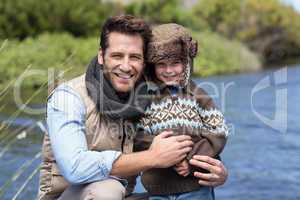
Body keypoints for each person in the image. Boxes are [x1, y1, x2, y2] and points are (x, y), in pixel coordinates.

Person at [38, 15, 228, 200]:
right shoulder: (69, 97)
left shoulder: (144, 95)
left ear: (145, 62)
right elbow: (74, 168)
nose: (126, 66)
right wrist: (153, 157)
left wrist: (213, 170)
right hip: (77, 195)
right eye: (117, 56)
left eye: (135, 57)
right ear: (101, 56)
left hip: (124, 195)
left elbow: (199, 133)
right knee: (106, 190)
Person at [135, 23, 229, 200]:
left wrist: (192, 160)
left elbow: (218, 131)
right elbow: (138, 136)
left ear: (186, 62)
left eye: (176, 63)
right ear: (151, 65)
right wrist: (168, 155)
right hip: (158, 187)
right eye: (161, 64)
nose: (169, 70)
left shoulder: (198, 95)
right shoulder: (144, 99)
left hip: (196, 187)